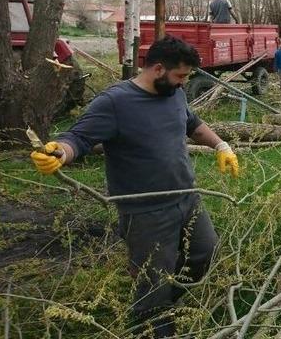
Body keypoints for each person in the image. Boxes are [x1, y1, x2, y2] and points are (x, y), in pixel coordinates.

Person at [30, 36, 240, 337]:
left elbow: (192, 123)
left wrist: (221, 145)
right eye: (180, 76)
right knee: (153, 284)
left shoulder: (174, 94)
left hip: (187, 199)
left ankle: (174, 305)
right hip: (146, 212)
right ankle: (152, 326)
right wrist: (59, 153)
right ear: (157, 68)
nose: (183, 83)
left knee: (205, 253)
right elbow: (78, 138)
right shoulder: (115, 102)